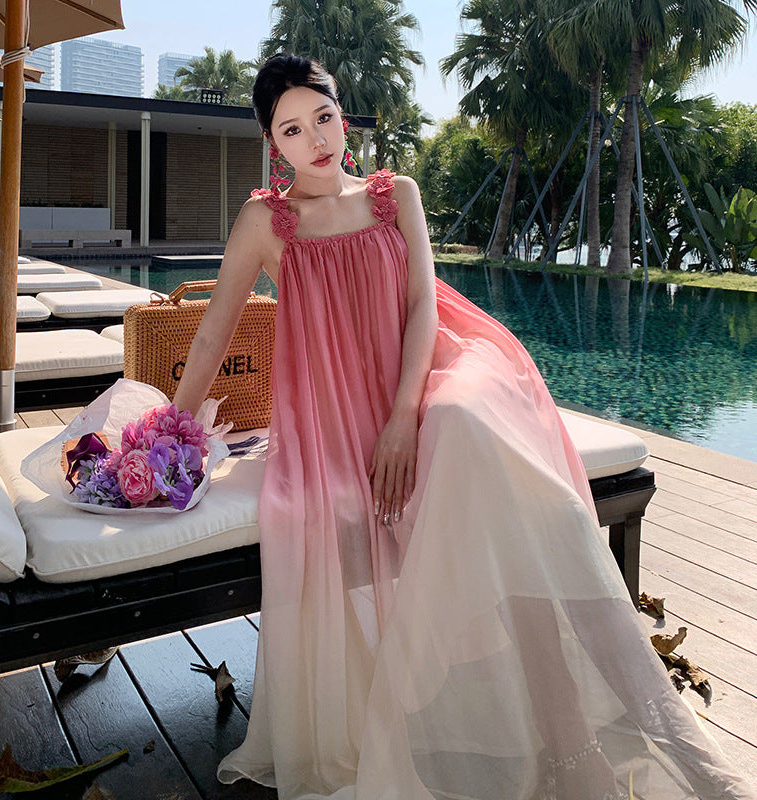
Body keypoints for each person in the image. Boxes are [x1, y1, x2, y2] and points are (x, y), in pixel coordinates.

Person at [172, 53, 756, 800]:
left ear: (342, 112)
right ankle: (573, 743)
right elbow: (211, 335)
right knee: (510, 499)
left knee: (462, 421)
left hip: (442, 368)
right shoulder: (267, 220)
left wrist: (404, 418)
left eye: (324, 116)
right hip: (346, 410)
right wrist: (171, 434)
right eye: (293, 128)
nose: (317, 138)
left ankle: (648, 735)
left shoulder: (395, 195)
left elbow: (422, 305)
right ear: (271, 141)